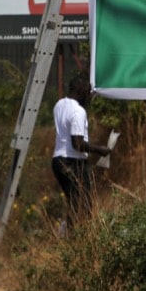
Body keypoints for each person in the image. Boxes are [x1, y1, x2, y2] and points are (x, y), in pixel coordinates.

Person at [52, 74, 111, 232]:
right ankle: (76, 239)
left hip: (58, 161)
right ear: (79, 91)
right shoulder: (78, 111)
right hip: (73, 162)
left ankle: (71, 237)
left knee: (74, 203)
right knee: (83, 206)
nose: (90, 95)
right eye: (88, 92)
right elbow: (77, 144)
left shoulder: (59, 105)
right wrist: (100, 150)